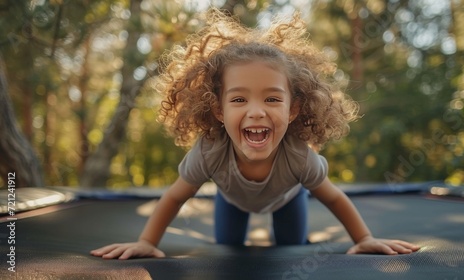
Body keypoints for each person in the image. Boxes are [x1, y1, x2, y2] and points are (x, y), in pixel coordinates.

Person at [91, 9, 420, 260]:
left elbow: (333, 197)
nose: (257, 111)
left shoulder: (299, 156)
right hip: (231, 201)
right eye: (238, 99)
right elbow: (176, 196)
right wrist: (147, 243)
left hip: (288, 202)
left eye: (272, 99)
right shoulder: (210, 151)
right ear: (219, 110)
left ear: (292, 110)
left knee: (292, 252)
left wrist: (363, 239)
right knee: (227, 253)